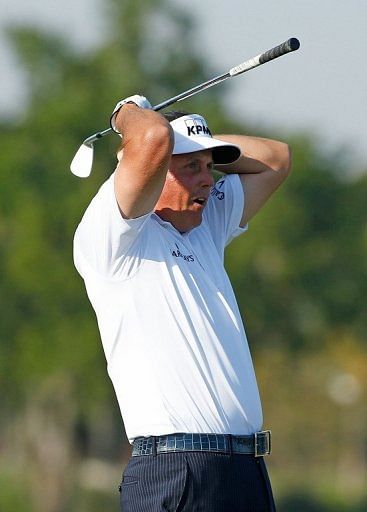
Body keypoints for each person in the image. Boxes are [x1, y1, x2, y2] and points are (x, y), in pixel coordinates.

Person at [73, 94, 292, 512]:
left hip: (246, 471)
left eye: (210, 167)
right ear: (150, 170)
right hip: (177, 472)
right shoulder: (115, 238)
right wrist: (127, 111)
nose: (208, 180)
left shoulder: (206, 228)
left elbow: (276, 159)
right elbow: (151, 137)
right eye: (191, 167)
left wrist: (197, 140)